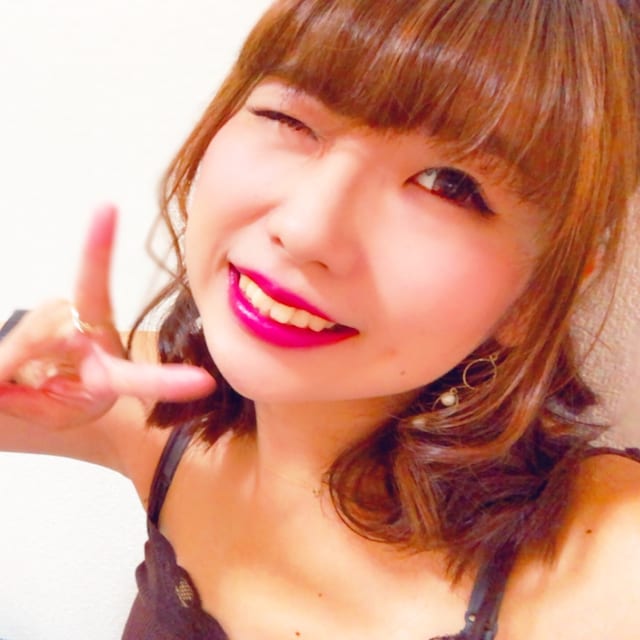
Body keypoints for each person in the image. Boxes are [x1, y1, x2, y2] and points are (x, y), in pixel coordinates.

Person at [1, 0, 639, 638]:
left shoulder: (609, 565)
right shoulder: (153, 402)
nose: (306, 229)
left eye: (447, 183)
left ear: (544, 286)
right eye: (289, 117)